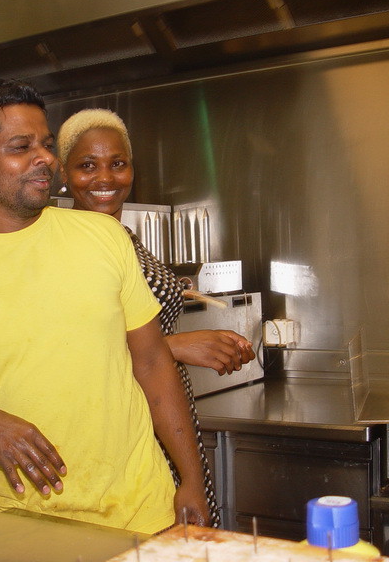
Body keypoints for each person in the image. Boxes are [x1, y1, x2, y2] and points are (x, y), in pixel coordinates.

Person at [0, 79, 209, 535]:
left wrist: (191, 481)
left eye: (47, 144)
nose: (45, 159)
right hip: (27, 529)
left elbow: (153, 362)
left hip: (145, 514)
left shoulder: (104, 238)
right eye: (22, 147)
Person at [56, 108, 257, 528]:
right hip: (121, 429)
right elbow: (61, 353)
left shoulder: (120, 236)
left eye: (118, 163)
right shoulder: (65, 244)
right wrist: (175, 346)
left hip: (165, 414)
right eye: (87, 165)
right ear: (63, 172)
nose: (105, 178)